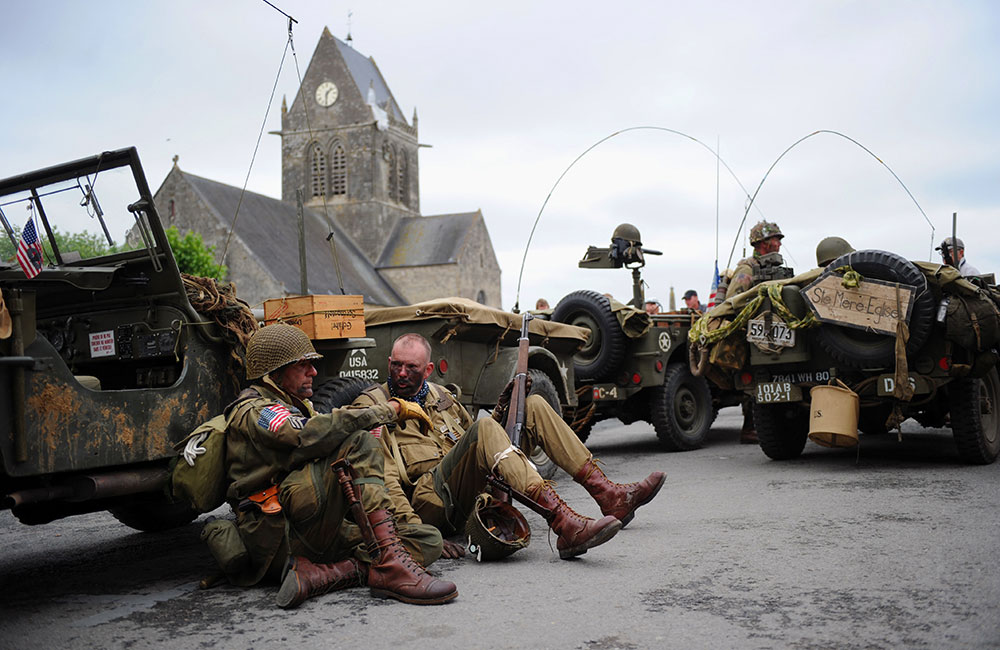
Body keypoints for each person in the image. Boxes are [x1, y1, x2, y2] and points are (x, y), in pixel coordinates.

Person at [352, 333, 666, 560]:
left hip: (467, 488)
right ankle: (563, 522)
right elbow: (381, 479)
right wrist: (415, 532)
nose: (402, 374)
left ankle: (608, 495)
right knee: (486, 426)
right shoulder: (375, 407)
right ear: (389, 363)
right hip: (430, 504)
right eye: (397, 366)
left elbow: (471, 442)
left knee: (535, 406)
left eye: (412, 368)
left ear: (429, 370)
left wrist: (503, 411)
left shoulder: (440, 396)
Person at [224, 324, 457, 609]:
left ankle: (324, 574)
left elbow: (323, 431)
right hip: (277, 533)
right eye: (303, 366)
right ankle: (392, 569)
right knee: (358, 442)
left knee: (427, 539)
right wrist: (387, 410)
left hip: (313, 523)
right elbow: (305, 432)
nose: (313, 372)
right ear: (275, 371)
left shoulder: (298, 405)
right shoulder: (254, 410)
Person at [716, 221, 794, 444]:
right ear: (762, 243)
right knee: (755, 382)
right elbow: (734, 303)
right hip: (751, 334)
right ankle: (751, 428)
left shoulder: (773, 267)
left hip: (772, 331)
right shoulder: (748, 268)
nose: (779, 244)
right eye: (775, 239)